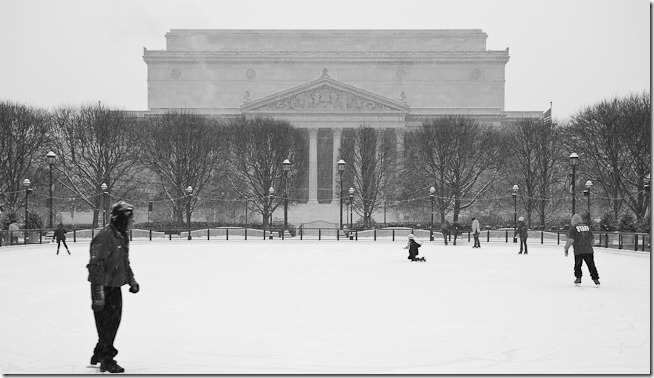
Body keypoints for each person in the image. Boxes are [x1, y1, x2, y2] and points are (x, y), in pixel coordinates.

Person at [87, 201, 140, 373]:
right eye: (130, 219)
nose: (132, 223)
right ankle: (107, 359)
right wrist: (98, 294)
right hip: (103, 287)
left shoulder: (121, 236)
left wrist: (131, 280)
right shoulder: (105, 236)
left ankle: (99, 352)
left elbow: (124, 262)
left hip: (115, 286)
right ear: (121, 219)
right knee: (107, 325)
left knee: (112, 324)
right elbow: (95, 266)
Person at [564, 213, 600, 286]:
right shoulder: (587, 227)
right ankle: (596, 280)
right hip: (588, 250)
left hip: (578, 250)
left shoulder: (574, 228)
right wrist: (589, 246)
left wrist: (566, 248)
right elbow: (592, 239)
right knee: (591, 265)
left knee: (578, 265)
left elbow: (571, 240)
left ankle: (578, 278)